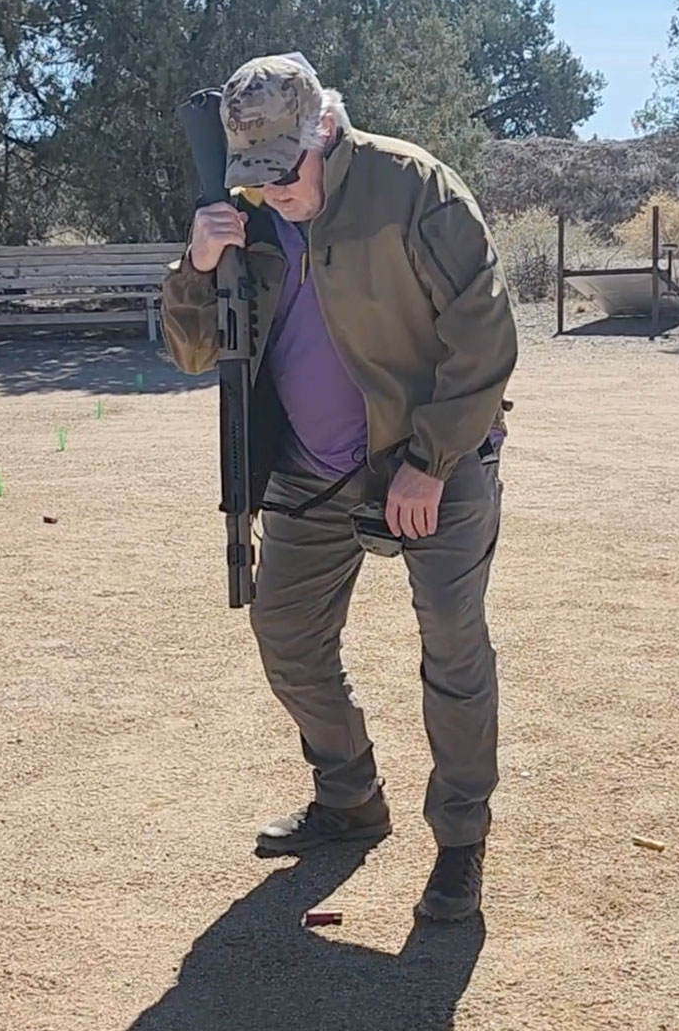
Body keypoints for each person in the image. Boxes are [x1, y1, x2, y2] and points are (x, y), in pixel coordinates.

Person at [158, 53, 518, 921]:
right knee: (285, 633)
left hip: (430, 459)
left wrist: (431, 460)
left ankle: (460, 842)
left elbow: (484, 331)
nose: (274, 192)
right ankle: (350, 796)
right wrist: (197, 267)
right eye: (256, 175)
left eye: (286, 172)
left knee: (452, 646)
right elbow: (194, 352)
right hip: (310, 468)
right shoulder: (243, 212)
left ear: (326, 128)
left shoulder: (415, 187)